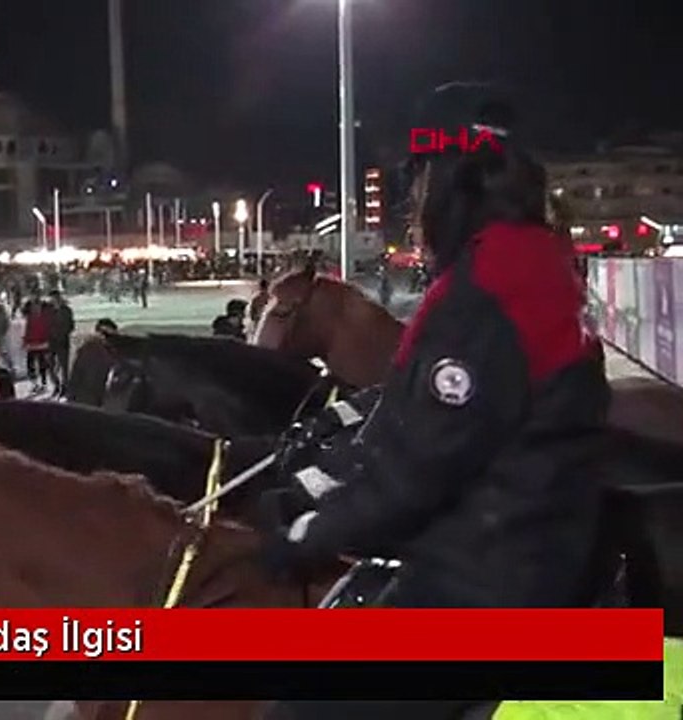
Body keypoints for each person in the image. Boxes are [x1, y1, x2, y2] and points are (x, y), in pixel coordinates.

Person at [258, 85, 610, 719]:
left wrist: (306, 533)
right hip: (531, 550)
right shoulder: (529, 258)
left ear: (447, 177)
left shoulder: (488, 289)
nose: (414, 201)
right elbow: (420, 427)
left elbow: (419, 469)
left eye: (418, 180)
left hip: (489, 584)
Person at [47, 290, 75, 397]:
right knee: (50, 365)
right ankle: (56, 384)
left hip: (63, 341)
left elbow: (71, 324)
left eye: (55, 298)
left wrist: (64, 332)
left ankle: (65, 387)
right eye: (52, 299)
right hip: (51, 341)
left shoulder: (66, 310)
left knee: (64, 366)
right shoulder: (49, 311)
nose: (53, 301)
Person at [22, 294, 52, 395]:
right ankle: (35, 383)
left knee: (42, 364)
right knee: (30, 364)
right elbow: (28, 330)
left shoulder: (44, 318)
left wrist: (47, 341)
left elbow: (46, 330)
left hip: (41, 343)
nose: (35, 308)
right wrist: (25, 341)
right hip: (32, 343)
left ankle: (43, 383)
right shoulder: (30, 318)